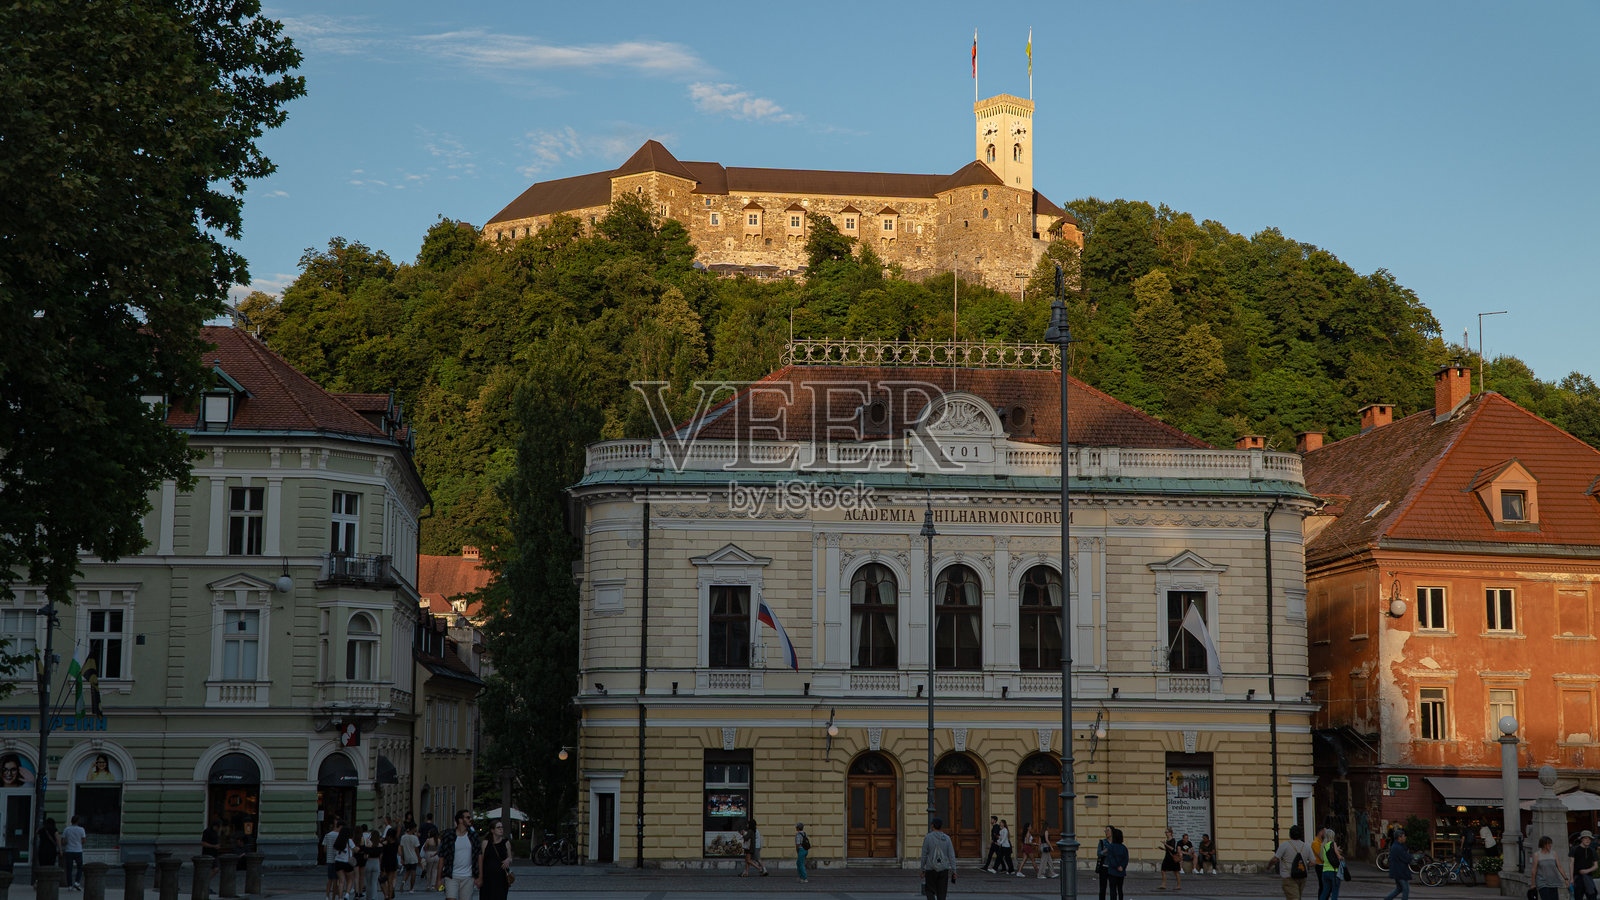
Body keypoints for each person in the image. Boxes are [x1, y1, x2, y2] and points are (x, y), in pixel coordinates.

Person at [437, 810, 479, 900]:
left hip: (468, 876)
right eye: (467, 817)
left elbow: (479, 855)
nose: (470, 819)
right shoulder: (449, 836)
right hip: (451, 875)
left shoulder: (473, 836)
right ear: (460, 820)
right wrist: (439, 879)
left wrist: (479, 876)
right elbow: (442, 857)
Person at [1271, 824, 1314, 900]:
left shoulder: (1285, 845)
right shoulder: (1306, 846)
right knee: (1297, 896)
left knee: (1294, 897)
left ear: (1290, 834)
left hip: (1288, 876)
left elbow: (1275, 859)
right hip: (1302, 876)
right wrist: (1305, 865)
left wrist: (1269, 865)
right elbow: (1313, 862)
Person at [919, 817, 958, 900]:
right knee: (942, 893)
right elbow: (951, 855)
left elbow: (924, 855)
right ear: (941, 826)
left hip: (930, 869)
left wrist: (922, 869)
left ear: (932, 825)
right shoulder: (947, 838)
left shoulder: (928, 838)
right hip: (943, 869)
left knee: (929, 890)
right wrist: (954, 871)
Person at [475, 820, 511, 900]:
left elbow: (510, 857)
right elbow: (481, 860)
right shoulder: (486, 843)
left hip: (501, 877)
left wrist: (508, 860)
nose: (501, 829)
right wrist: (479, 876)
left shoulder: (506, 842)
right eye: (498, 827)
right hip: (488, 877)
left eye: (502, 827)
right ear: (492, 830)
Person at [1534, 835, 1570, 900]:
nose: (1550, 845)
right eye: (1548, 843)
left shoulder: (1554, 854)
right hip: (1542, 882)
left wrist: (1566, 879)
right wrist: (1533, 884)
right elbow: (1534, 870)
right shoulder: (1537, 855)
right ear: (1543, 844)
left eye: (1550, 843)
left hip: (1553, 882)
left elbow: (1559, 867)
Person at [1382, 829, 1413, 900]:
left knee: (1399, 888)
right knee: (1405, 889)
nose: (1405, 837)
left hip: (1398, 871)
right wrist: (1411, 856)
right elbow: (1407, 858)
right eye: (1404, 836)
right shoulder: (1398, 847)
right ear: (1399, 837)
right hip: (1400, 871)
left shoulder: (1397, 846)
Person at [1317, 827, 1343, 900]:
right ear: (1332, 836)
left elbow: (1322, 858)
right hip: (1333, 871)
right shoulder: (1333, 843)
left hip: (1325, 871)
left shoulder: (1323, 845)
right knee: (1335, 891)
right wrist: (1342, 857)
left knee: (1325, 891)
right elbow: (1338, 856)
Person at [33, 818, 61, 886]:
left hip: (42, 850)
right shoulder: (55, 830)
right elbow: (57, 840)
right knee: (50, 866)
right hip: (51, 851)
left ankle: (38, 882)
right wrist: (60, 849)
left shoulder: (42, 830)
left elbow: (36, 832)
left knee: (42, 866)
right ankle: (49, 882)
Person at [62, 814, 86, 889]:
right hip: (78, 850)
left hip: (69, 850)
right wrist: (79, 843)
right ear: (78, 821)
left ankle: (69, 885)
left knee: (69, 868)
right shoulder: (81, 829)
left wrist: (67, 843)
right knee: (80, 867)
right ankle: (77, 882)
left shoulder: (67, 829)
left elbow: (63, 841)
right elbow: (84, 840)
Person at [1572, 830, 1598, 900]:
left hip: (1588, 877)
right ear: (1581, 839)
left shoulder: (1592, 850)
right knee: (1578, 897)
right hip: (1578, 878)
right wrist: (1571, 878)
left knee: (1593, 896)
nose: (1587, 840)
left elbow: (1596, 866)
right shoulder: (1574, 849)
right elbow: (1571, 864)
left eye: (1589, 838)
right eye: (1585, 838)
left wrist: (1587, 871)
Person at [333, 827, 357, 900]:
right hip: (347, 863)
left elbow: (335, 852)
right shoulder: (349, 841)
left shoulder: (337, 841)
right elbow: (355, 849)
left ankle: (340, 898)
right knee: (350, 879)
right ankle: (347, 894)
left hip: (338, 862)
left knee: (341, 881)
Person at [1104, 827, 1129, 900]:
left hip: (1113, 871)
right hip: (1121, 872)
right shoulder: (1124, 847)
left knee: (1113, 890)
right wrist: (1122, 866)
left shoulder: (1111, 846)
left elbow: (1111, 858)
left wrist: (1117, 866)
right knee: (1120, 889)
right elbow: (1126, 859)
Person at [325, 818, 345, 900]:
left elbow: (324, 849)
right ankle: (333, 897)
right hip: (337, 859)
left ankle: (327, 896)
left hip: (329, 859)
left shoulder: (328, 835)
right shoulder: (340, 836)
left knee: (329, 879)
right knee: (335, 880)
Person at [380, 827, 400, 900]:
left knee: (382, 880)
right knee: (390, 882)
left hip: (385, 864)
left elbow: (382, 855)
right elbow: (399, 853)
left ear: (389, 836)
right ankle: (390, 896)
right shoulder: (396, 843)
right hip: (393, 863)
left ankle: (386, 895)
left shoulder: (385, 844)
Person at [400, 823, 421, 892]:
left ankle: (403, 882)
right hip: (413, 857)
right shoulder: (415, 838)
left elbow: (401, 848)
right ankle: (411, 888)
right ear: (413, 828)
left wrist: (402, 858)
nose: (416, 829)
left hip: (406, 857)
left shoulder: (403, 837)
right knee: (413, 872)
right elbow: (416, 849)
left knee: (407, 871)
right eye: (415, 828)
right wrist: (418, 857)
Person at [1097, 825, 1114, 899]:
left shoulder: (1115, 843)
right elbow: (1099, 853)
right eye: (1105, 831)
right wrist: (1106, 850)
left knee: (1113, 888)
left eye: (1108, 830)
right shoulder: (1102, 842)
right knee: (1102, 888)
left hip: (1113, 868)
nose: (1106, 832)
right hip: (1104, 867)